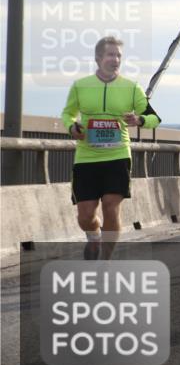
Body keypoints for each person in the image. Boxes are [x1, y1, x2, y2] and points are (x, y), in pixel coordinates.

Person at [61, 36, 161, 259]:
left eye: (118, 56)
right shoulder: (81, 85)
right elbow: (67, 114)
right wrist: (72, 127)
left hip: (117, 155)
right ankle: (94, 237)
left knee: (110, 205)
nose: (115, 59)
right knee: (85, 216)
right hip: (87, 157)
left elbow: (154, 118)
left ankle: (104, 261)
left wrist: (140, 120)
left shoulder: (131, 87)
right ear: (98, 58)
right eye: (110, 55)